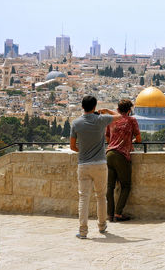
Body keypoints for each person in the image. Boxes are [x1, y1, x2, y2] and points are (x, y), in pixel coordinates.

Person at [70, 95, 120, 239]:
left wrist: (84, 151)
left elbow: (73, 147)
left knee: (83, 198)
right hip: (100, 164)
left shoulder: (76, 123)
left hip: (84, 165)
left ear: (82, 107)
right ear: (94, 106)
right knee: (101, 197)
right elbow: (119, 116)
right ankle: (102, 226)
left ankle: (83, 231)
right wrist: (106, 110)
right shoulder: (101, 119)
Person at [106, 99, 141, 222]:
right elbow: (139, 139)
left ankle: (109, 214)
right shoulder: (131, 120)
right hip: (121, 155)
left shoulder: (111, 120)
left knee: (109, 187)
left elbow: (107, 137)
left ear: (118, 109)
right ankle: (118, 214)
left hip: (109, 153)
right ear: (129, 110)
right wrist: (128, 142)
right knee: (125, 186)